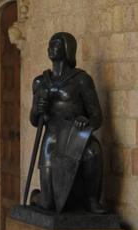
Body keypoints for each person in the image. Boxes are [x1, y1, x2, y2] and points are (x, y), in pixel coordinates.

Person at [29, 32, 105, 213]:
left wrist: (85, 120)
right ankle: (36, 196)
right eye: (49, 44)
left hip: (74, 137)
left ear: (67, 49)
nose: (51, 47)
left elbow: (97, 117)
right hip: (51, 140)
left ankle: (92, 199)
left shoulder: (81, 80)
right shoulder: (40, 82)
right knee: (48, 205)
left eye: (56, 44)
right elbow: (33, 120)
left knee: (93, 150)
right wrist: (38, 109)